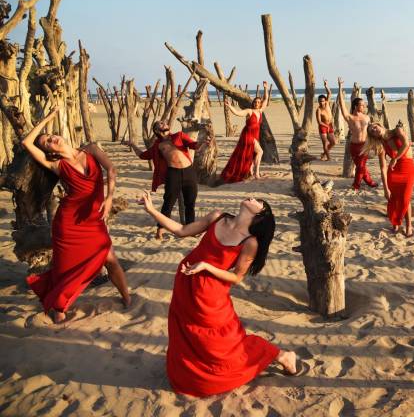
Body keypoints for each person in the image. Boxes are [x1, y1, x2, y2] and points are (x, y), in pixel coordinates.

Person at [138, 191, 301, 396]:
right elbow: (181, 230)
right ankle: (188, 376)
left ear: (261, 216)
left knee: (221, 342)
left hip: (210, 295)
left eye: (258, 202)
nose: (251, 198)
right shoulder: (218, 217)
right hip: (186, 283)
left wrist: (207, 266)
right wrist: (151, 210)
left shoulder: (250, 243)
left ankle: (282, 355)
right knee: (185, 333)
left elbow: (236, 277)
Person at [22, 106, 131, 323]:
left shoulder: (90, 149)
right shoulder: (56, 164)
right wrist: (47, 119)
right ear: (50, 152)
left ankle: (127, 299)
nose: (52, 139)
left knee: (109, 258)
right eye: (47, 142)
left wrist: (109, 198)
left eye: (52, 136)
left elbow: (111, 170)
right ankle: (59, 307)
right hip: (69, 223)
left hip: (94, 220)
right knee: (65, 269)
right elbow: (27, 143)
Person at [124, 120, 206, 239]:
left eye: (165, 123)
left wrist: (203, 144)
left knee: (190, 203)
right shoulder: (158, 146)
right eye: (161, 124)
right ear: (157, 130)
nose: (165, 123)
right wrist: (132, 145)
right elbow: (142, 155)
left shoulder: (179, 135)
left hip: (189, 172)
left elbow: (194, 145)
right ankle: (160, 229)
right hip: (173, 174)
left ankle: (191, 229)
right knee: (168, 203)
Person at [365, 122, 414, 237]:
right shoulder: (381, 145)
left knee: (405, 198)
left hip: (407, 168)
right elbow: (383, 167)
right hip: (393, 172)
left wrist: (395, 159)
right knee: (394, 198)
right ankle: (395, 222)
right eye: (371, 132)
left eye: (374, 127)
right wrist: (385, 188)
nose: (374, 130)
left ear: (379, 125)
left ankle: (408, 226)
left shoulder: (397, 130)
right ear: (374, 137)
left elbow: (406, 144)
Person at [220, 81, 271, 183]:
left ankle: (251, 172)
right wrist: (230, 106)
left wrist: (265, 88)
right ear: (253, 103)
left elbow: (266, 99)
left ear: (260, 104)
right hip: (248, 135)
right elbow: (238, 113)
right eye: (255, 102)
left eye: (258, 102)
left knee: (252, 154)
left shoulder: (260, 111)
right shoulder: (249, 111)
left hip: (254, 135)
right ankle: (256, 174)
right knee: (260, 151)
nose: (256, 103)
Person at [338, 78, 378, 190]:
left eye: (364, 105)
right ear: (355, 106)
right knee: (361, 167)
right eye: (362, 105)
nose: (364, 107)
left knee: (360, 166)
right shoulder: (350, 117)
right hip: (354, 146)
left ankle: (356, 185)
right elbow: (342, 105)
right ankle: (369, 182)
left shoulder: (367, 117)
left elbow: (371, 131)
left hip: (365, 145)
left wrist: (374, 143)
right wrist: (340, 87)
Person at [316, 80, 337, 161]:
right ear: (318, 101)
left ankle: (324, 153)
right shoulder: (318, 110)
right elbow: (319, 122)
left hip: (330, 125)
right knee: (325, 143)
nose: (321, 102)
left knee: (333, 142)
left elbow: (329, 93)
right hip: (323, 127)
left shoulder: (327, 104)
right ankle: (328, 158)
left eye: (323, 101)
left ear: (325, 101)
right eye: (320, 101)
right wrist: (326, 126)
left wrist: (326, 85)